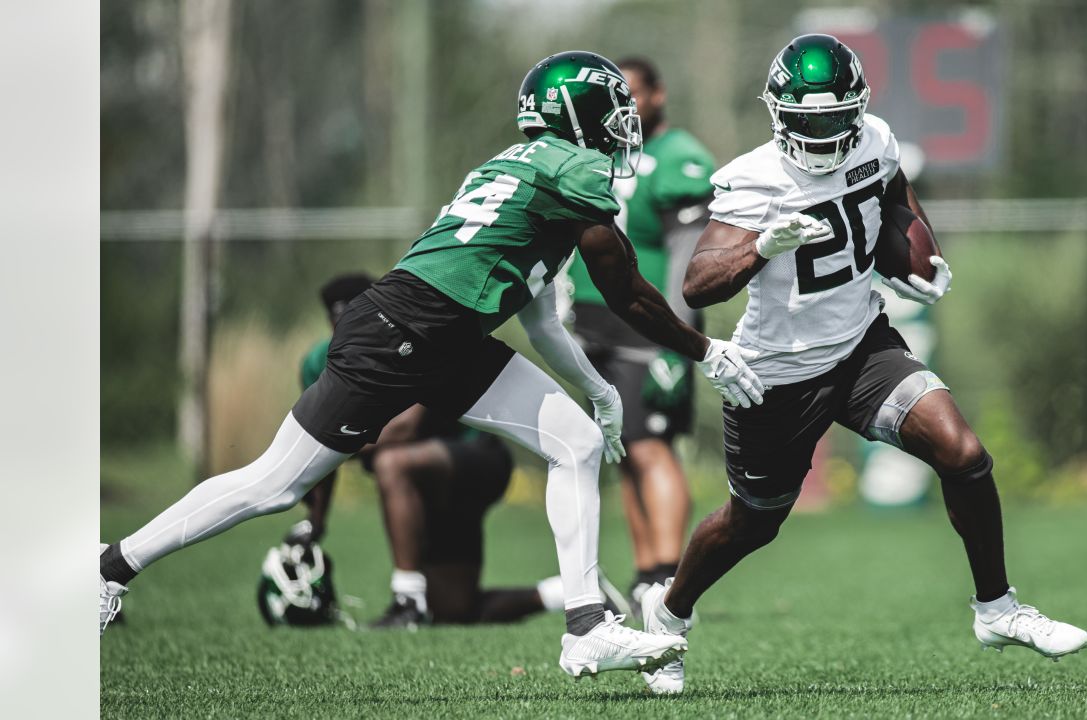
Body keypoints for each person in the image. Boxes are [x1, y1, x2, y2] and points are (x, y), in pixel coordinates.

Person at [98, 51, 765, 681]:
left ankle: (587, 624)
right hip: (408, 329)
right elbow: (629, 294)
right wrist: (709, 351)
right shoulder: (576, 169)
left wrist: (597, 392)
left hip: (438, 328)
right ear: (580, 115)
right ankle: (111, 567)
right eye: (613, 109)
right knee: (274, 485)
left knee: (577, 441)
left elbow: (537, 313)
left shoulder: (528, 165)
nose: (624, 124)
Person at [635, 34, 1087, 695]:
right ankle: (669, 613)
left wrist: (919, 256)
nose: (821, 133)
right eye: (807, 120)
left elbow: (896, 195)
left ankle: (997, 609)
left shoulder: (874, 139)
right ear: (778, 114)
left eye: (832, 117)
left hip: (861, 348)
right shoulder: (753, 177)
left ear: (858, 109)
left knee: (963, 453)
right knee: (752, 522)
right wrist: (764, 243)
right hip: (778, 373)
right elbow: (699, 284)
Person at [281, 273, 629, 630]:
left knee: (391, 462)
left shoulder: (406, 337)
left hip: (474, 458)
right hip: (424, 482)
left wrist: (341, 439)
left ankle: (407, 601)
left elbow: (406, 426)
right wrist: (314, 522)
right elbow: (317, 444)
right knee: (454, 607)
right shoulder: (318, 363)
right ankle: (571, 594)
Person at [563, 57, 715, 612]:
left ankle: (669, 572)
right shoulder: (601, 152)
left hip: (646, 326)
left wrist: (679, 338)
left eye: (631, 93)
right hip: (592, 325)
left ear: (658, 94)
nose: (622, 105)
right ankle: (645, 570)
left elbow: (688, 258)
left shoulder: (679, 158)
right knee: (622, 449)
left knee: (653, 448)